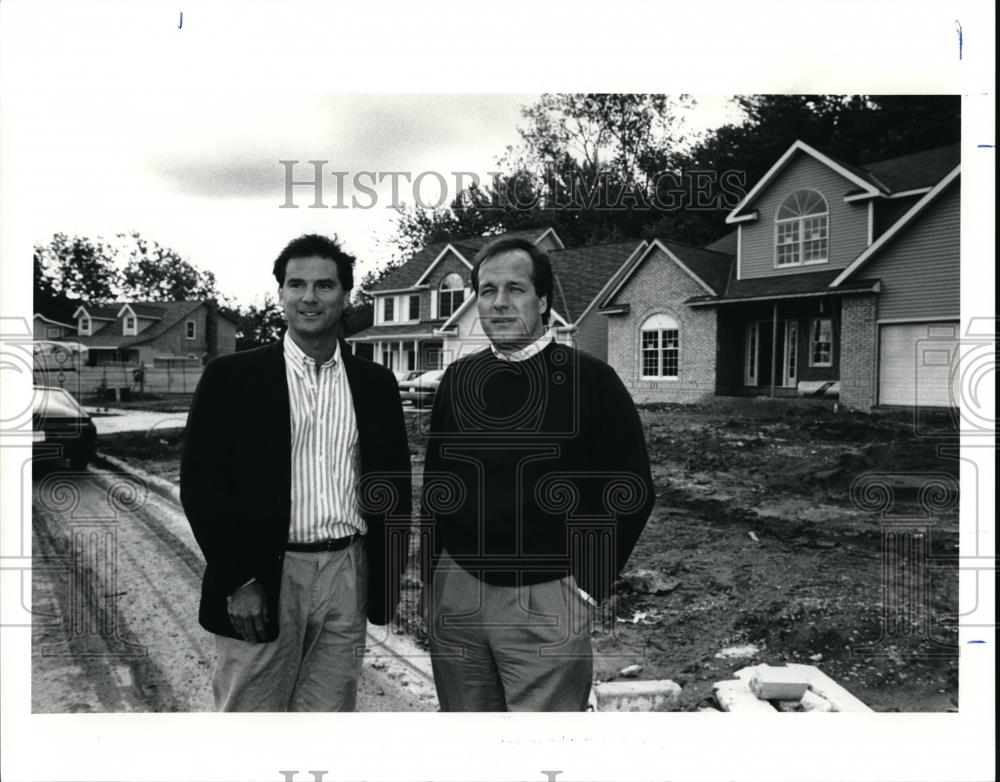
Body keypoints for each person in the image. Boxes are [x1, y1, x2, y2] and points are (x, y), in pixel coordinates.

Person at [421, 236, 654, 711]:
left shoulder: (591, 381)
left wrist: (585, 587)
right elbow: (437, 483)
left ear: (543, 300)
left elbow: (631, 490)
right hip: (458, 594)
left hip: (546, 599)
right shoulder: (460, 380)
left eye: (515, 289)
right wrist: (432, 577)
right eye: (487, 291)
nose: (499, 303)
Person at [180, 234, 410, 711]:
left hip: (347, 571)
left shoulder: (375, 384)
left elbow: (393, 487)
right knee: (252, 719)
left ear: (346, 295)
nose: (310, 297)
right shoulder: (231, 378)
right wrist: (237, 580)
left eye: (325, 285)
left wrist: (384, 573)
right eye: (296, 284)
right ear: (280, 294)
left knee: (327, 719)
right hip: (264, 573)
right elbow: (202, 487)